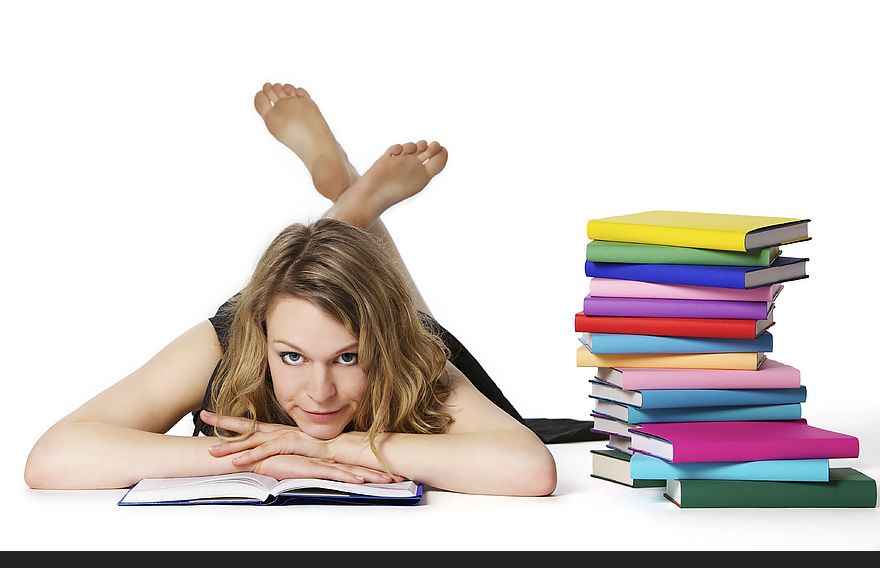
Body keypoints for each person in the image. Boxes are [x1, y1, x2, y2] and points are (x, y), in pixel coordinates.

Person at [24, 82, 558, 496]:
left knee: (400, 308)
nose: (320, 393)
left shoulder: (407, 350)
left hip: (396, 324)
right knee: (299, 290)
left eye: (349, 358)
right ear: (259, 336)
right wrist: (263, 455)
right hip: (277, 312)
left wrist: (327, 448)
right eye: (292, 357)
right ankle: (350, 198)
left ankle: (352, 199)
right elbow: (52, 458)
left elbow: (528, 468)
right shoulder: (227, 340)